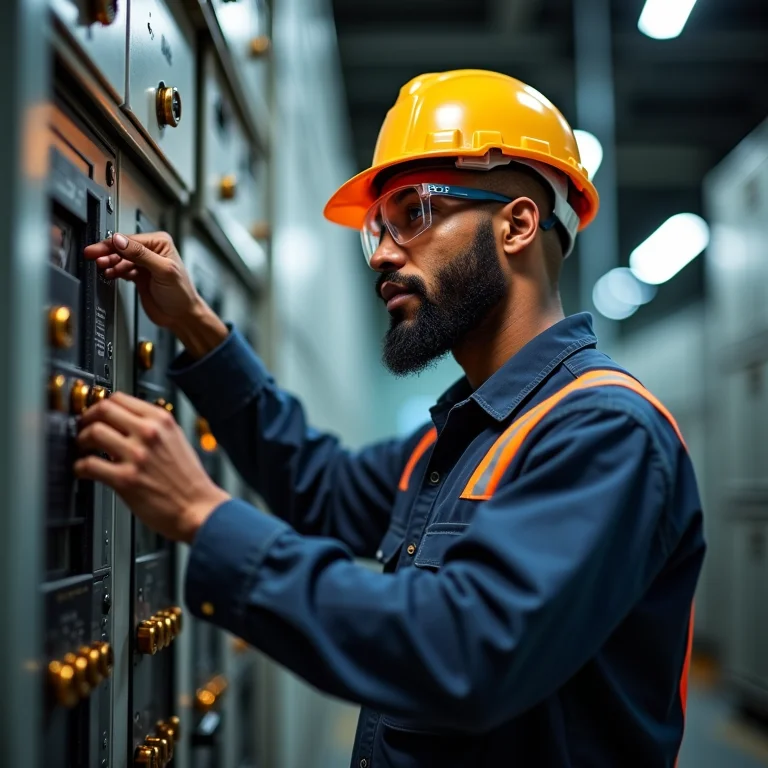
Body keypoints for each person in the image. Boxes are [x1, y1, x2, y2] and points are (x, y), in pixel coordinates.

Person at [79, 70, 705, 767]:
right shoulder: (468, 435)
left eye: (413, 214)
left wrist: (204, 514)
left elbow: (466, 654)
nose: (380, 253)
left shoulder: (605, 433)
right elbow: (321, 486)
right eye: (376, 229)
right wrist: (198, 327)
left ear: (518, 224)